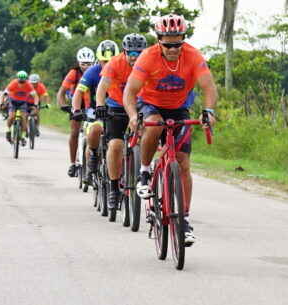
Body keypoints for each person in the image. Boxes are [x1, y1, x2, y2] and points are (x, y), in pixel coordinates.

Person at [124, 14, 218, 246]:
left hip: (179, 108)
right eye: (168, 44)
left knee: (184, 163)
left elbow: (209, 87)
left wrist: (209, 111)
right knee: (153, 125)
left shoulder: (193, 55)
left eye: (178, 43)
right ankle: (144, 172)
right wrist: (134, 116)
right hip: (150, 104)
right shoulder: (148, 57)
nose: (173, 49)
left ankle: (184, 220)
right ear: (159, 40)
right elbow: (129, 92)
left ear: (183, 40)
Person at [95, 33, 148, 209]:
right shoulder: (115, 63)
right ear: (124, 52)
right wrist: (100, 105)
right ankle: (113, 186)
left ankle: (143, 171)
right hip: (116, 106)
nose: (134, 57)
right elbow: (102, 87)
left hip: (139, 105)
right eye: (130, 53)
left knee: (146, 138)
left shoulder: (149, 62)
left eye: (138, 53)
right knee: (116, 145)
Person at [72, 40, 120, 184]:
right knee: (95, 129)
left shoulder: (122, 69)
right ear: (98, 59)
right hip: (95, 110)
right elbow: (78, 93)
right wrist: (76, 109)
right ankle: (92, 156)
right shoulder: (92, 71)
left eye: (111, 60)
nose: (107, 64)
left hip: (117, 109)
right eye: (104, 61)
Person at [58, 47, 96, 177]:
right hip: (77, 105)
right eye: (83, 64)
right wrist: (64, 106)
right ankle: (73, 163)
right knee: (74, 132)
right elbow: (61, 93)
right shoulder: (74, 73)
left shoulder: (96, 71)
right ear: (79, 63)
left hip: (91, 104)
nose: (86, 66)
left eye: (89, 64)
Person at [4, 71, 40, 145]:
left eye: (23, 81)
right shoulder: (13, 83)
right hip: (13, 102)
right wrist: (2, 102)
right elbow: (5, 93)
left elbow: (35, 96)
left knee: (24, 118)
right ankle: (8, 131)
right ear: (17, 79)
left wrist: (36, 105)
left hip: (23, 103)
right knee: (11, 117)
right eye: (20, 80)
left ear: (26, 79)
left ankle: (23, 137)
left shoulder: (28, 85)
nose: (21, 82)